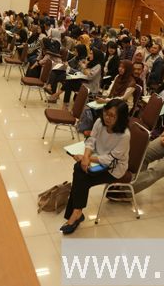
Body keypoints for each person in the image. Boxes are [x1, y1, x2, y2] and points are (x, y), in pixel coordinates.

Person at [61, 100, 130, 234]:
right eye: (106, 113)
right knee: (80, 170)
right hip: (98, 158)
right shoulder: (100, 122)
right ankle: (76, 212)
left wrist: (87, 158)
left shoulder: (124, 135)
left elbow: (111, 159)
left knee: (81, 176)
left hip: (114, 168)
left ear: (120, 118)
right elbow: (91, 140)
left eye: (112, 116)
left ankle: (76, 213)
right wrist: (86, 156)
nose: (107, 117)